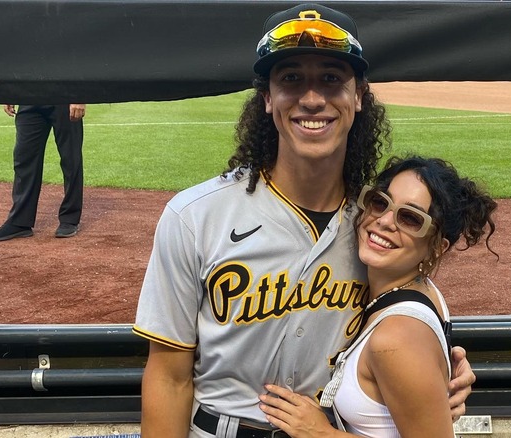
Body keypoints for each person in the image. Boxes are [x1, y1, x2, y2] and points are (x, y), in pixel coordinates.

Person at [132, 4, 476, 438]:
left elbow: (413, 304)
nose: (312, 98)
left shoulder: (375, 224)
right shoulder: (195, 216)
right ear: (267, 97)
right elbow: (169, 376)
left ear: (359, 97)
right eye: (291, 78)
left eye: (332, 78)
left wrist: (443, 366)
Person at [258, 156, 498, 438]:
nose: (384, 221)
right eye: (380, 202)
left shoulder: (396, 338)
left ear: (436, 248)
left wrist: (322, 434)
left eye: (410, 218)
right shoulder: (422, 289)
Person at [0, 103, 86, 242]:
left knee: (71, 159)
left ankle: (70, 219)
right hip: (29, 99)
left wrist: (79, 98)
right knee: (24, 159)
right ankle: (20, 222)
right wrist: (10, 94)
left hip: (65, 96)